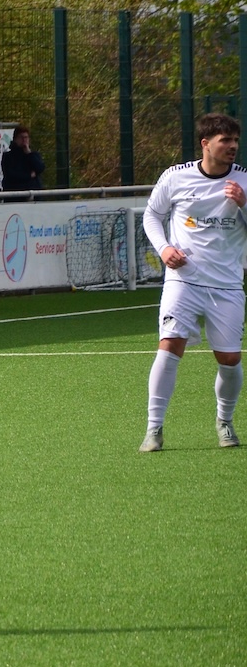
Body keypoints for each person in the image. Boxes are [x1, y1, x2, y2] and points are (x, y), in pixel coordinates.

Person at [140, 113, 247, 453]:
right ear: (205, 144)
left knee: (229, 359)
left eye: (235, 140)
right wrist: (164, 248)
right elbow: (152, 215)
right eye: (225, 140)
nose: (232, 146)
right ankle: (154, 429)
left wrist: (244, 204)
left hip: (227, 285)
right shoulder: (176, 176)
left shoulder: (244, 181)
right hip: (183, 281)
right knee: (170, 344)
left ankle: (224, 421)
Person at [0, 125, 46, 191]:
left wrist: (29, 154)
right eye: (21, 137)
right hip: (15, 192)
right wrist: (29, 176)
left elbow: (40, 168)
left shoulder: (34, 155)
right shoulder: (8, 156)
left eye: (26, 137)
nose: (24, 140)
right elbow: (11, 175)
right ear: (15, 139)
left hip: (34, 192)